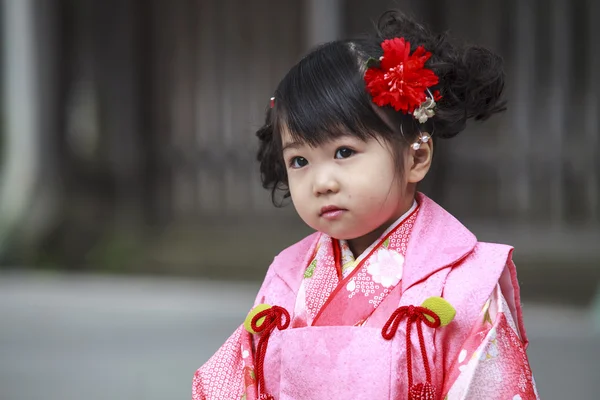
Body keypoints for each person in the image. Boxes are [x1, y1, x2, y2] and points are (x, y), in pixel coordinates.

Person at [193, 10, 538, 400]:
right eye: (300, 161)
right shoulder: (287, 279)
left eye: (344, 151)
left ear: (416, 157)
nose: (322, 182)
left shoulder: (463, 284)